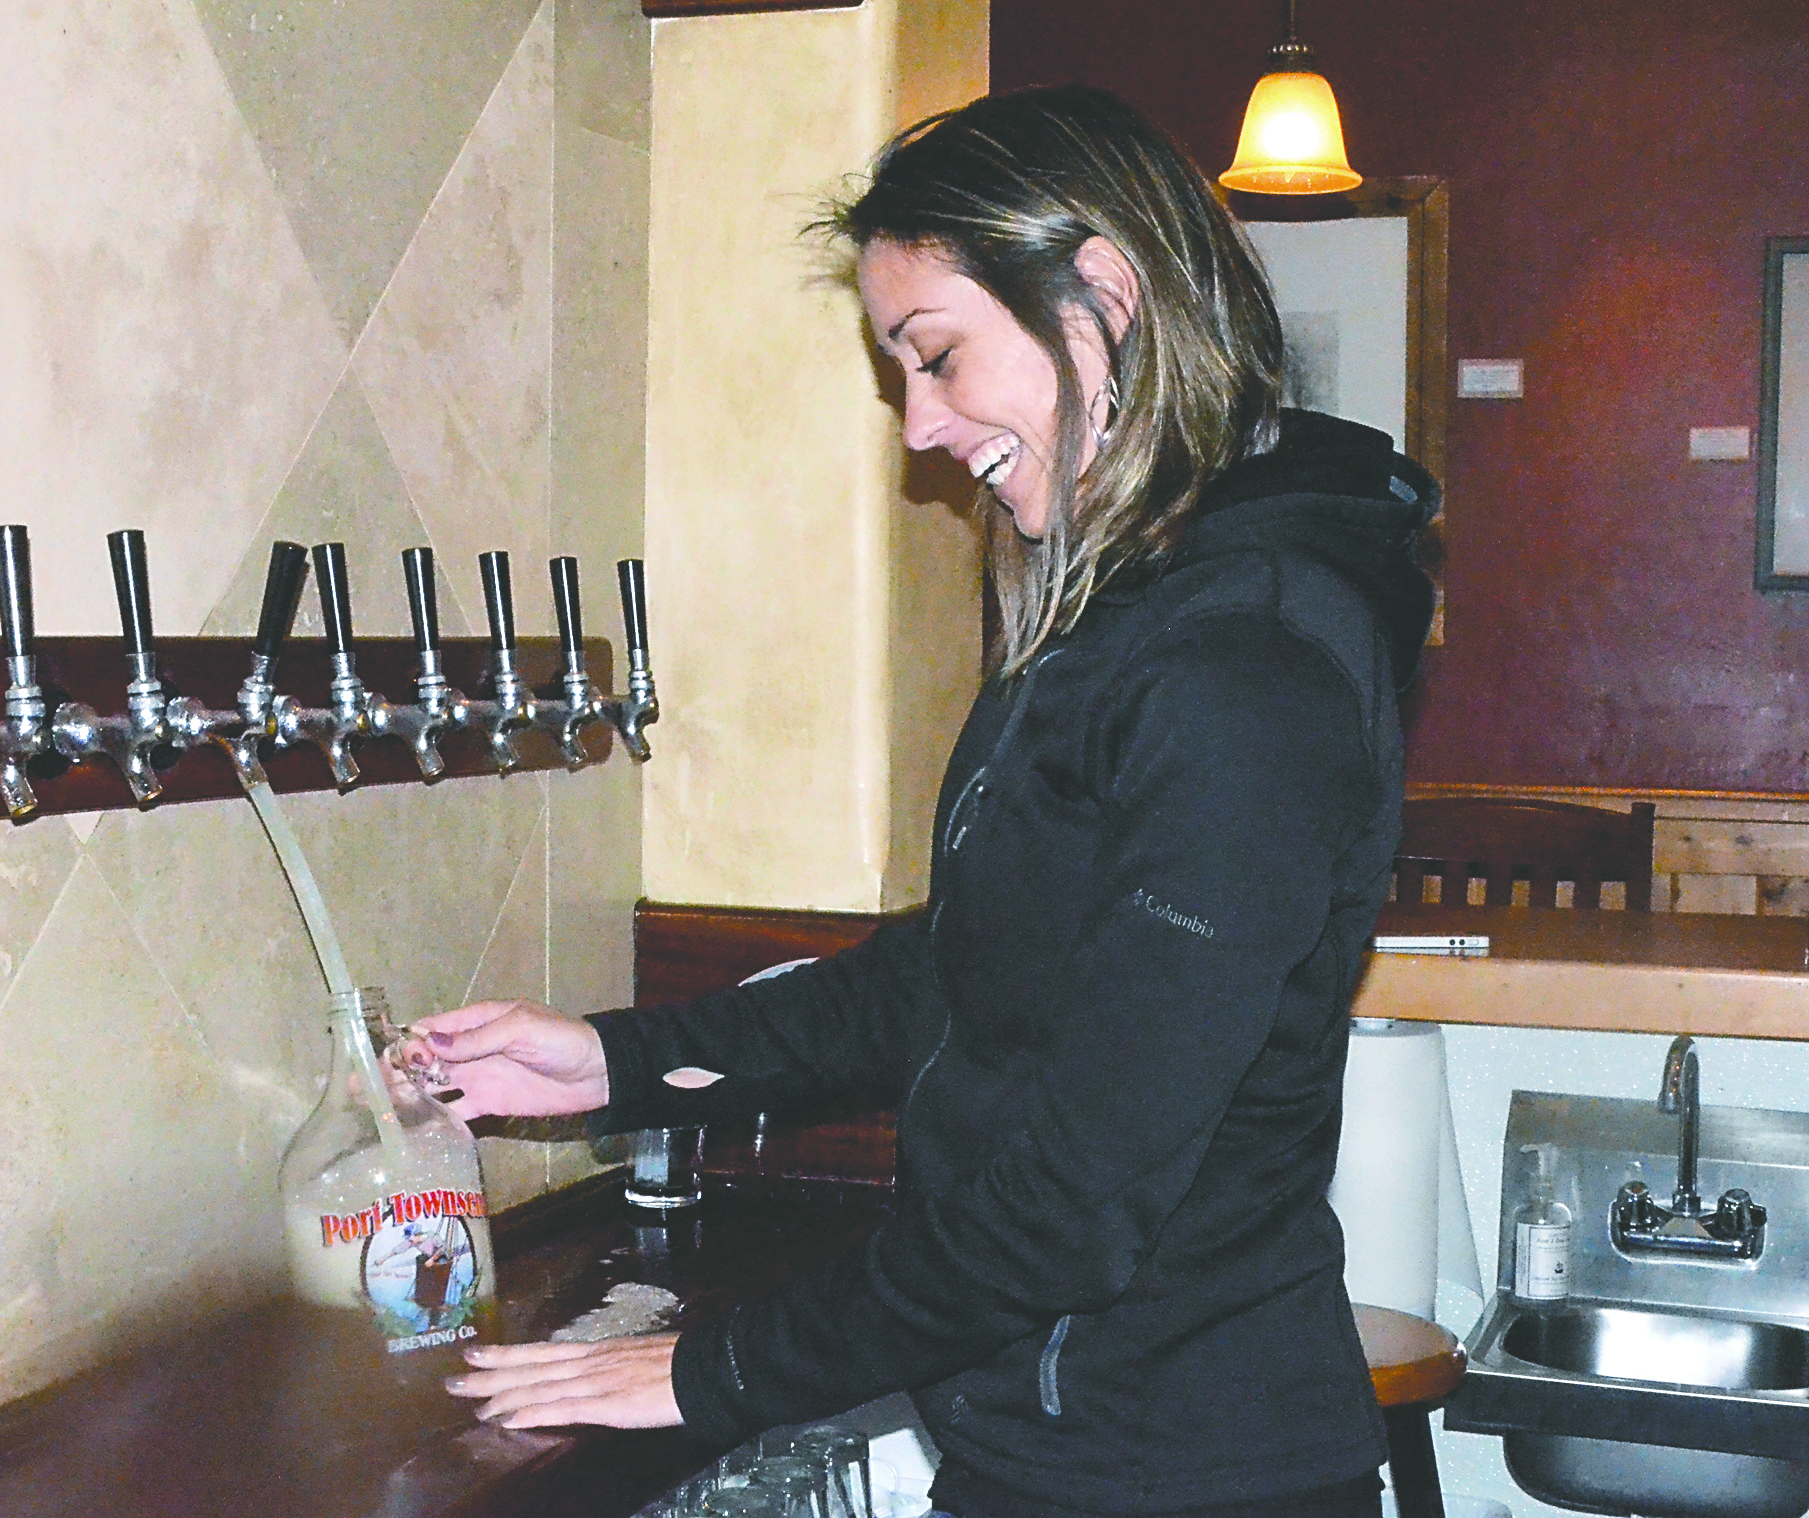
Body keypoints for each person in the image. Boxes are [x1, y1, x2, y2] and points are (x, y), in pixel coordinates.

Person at [419, 85, 1436, 1518]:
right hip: (1062, 1448)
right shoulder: (1130, 611)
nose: (919, 426)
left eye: (940, 355)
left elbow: (1073, 1205)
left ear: (1103, 297)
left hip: (1175, 1474)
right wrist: (612, 1063)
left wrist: (709, 1371)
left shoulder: (1244, 665)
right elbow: (964, 971)